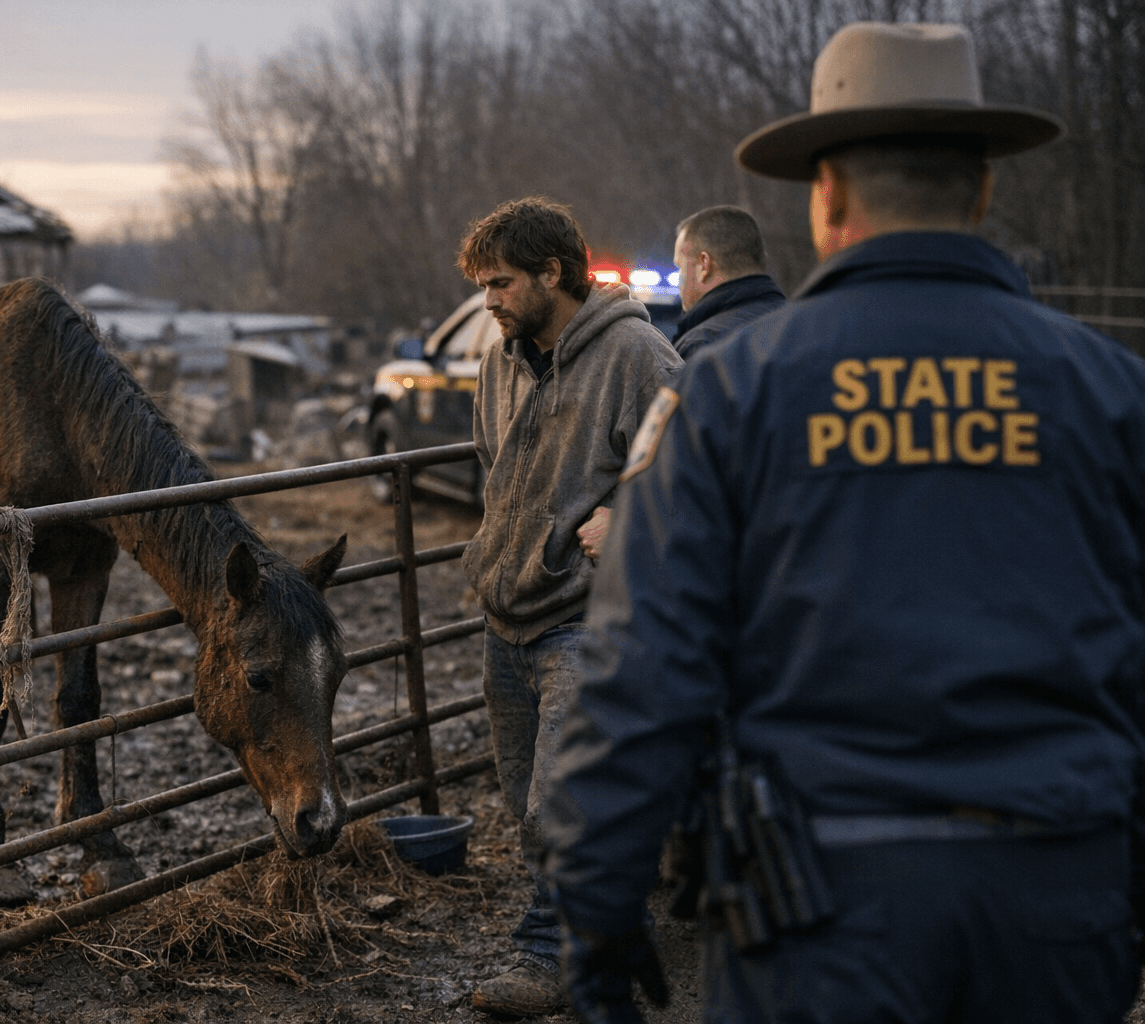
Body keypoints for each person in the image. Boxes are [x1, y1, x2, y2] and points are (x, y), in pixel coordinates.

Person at [543, 21, 1145, 1024]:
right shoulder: (1112, 396)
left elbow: (641, 665)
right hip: (1056, 899)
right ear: (985, 190)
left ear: (823, 195)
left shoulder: (724, 398)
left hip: (815, 915)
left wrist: (596, 902)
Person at [455, 196, 682, 1016]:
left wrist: (633, 510)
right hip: (508, 609)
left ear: (554, 272)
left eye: (503, 283)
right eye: (483, 285)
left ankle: (553, 955)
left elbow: (704, 465)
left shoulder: (638, 355)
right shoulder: (500, 363)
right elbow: (493, 472)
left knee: (561, 800)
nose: (490, 302)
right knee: (524, 798)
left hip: (588, 615)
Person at [669, 205, 786, 358]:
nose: (679, 280)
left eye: (680, 266)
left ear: (704, 265)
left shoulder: (701, 346)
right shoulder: (801, 325)